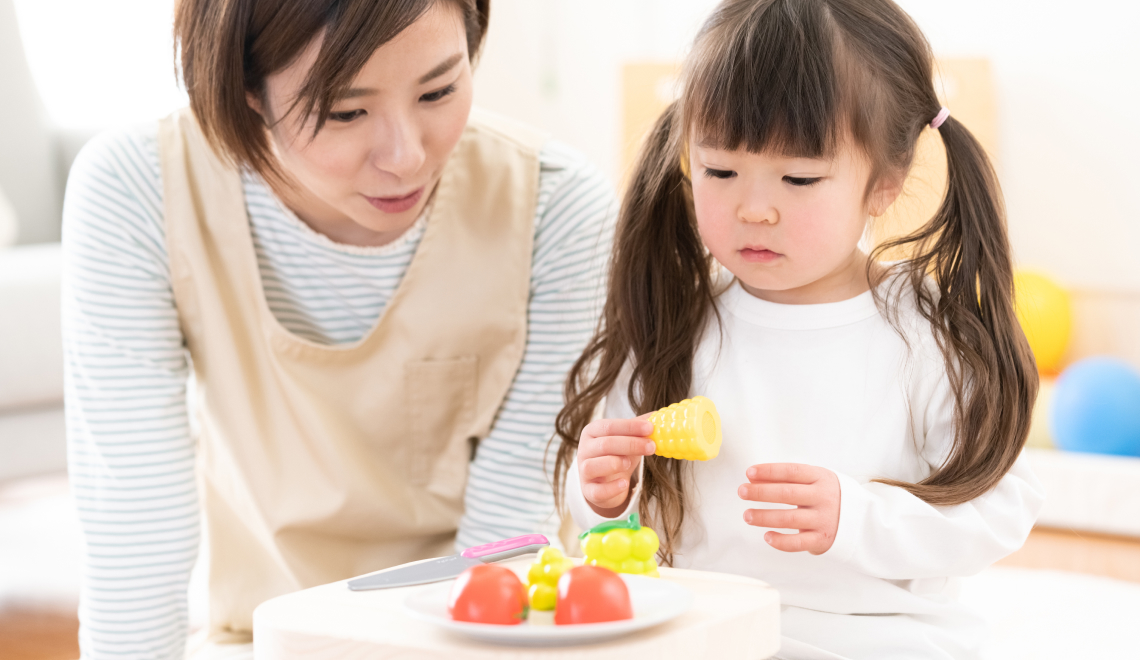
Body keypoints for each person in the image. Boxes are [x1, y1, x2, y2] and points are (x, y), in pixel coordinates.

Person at [61, 0, 615, 657]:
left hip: (495, 630)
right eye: (346, 111)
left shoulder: (556, 208)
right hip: (263, 639)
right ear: (246, 92)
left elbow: (507, 541)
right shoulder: (138, 190)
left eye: (438, 90)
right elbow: (137, 522)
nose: (406, 156)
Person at [555, 0, 1044, 657]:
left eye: (800, 178)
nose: (754, 209)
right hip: (708, 630)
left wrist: (859, 517)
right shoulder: (678, 317)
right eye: (720, 171)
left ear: (885, 184)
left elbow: (998, 510)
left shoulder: (926, 333)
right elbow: (611, 519)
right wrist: (606, 496)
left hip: (879, 639)